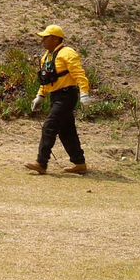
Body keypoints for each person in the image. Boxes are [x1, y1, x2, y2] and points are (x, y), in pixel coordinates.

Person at [26, 25, 93, 175]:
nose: (43, 40)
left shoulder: (67, 53)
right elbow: (46, 80)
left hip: (67, 95)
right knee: (66, 130)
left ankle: (41, 163)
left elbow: (79, 74)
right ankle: (79, 163)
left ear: (56, 38)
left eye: (46, 37)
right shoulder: (46, 57)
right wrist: (40, 96)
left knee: (49, 126)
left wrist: (84, 93)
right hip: (56, 96)